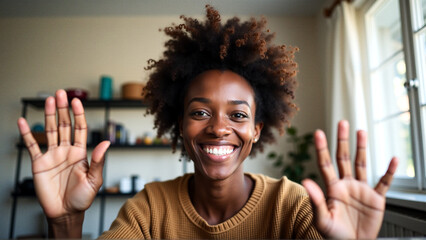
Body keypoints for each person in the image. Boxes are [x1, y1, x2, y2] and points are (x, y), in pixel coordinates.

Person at [17, 5, 398, 239]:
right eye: (200, 112)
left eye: (238, 115)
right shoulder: (150, 209)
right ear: (180, 124)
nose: (218, 128)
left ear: (256, 131)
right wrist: (66, 222)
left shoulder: (292, 206)